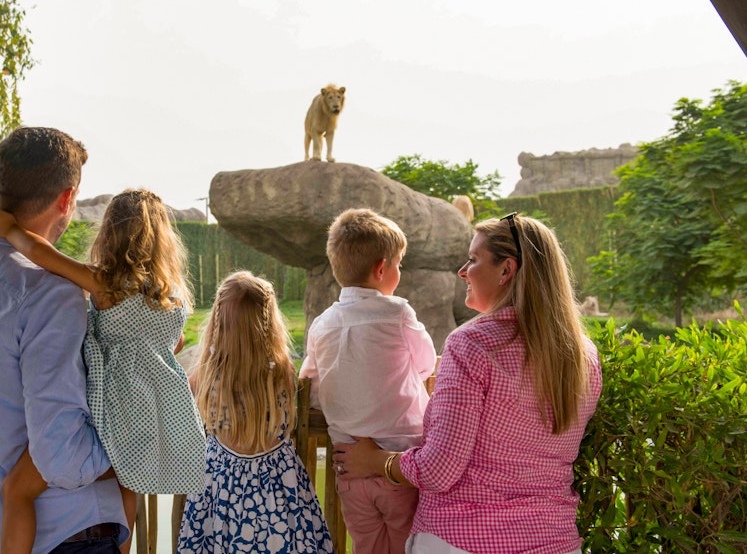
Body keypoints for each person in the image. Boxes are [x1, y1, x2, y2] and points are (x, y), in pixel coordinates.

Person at [333, 213, 603, 554]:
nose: (463, 271)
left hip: (463, 539)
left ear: (506, 270)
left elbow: (438, 470)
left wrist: (376, 461)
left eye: (474, 260)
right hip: (555, 541)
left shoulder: (472, 344)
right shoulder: (584, 356)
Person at [0, 126, 127, 554]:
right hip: (68, 536)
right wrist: (141, 445)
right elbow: (64, 456)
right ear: (67, 199)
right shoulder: (49, 292)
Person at [0, 189, 206, 554]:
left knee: (17, 490)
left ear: (110, 234)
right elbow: (176, 343)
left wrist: (11, 231)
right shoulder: (174, 297)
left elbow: (44, 256)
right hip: (148, 420)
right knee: (127, 488)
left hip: (109, 416)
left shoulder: (109, 287)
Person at [299, 208, 436, 554]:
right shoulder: (398, 313)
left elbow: (310, 383)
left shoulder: (322, 324)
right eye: (399, 264)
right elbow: (424, 364)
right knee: (407, 546)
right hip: (399, 463)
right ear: (381, 269)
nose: (400, 272)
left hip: (349, 469)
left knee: (366, 546)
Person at [177, 271, 335, 554]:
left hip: (222, 488)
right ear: (268, 322)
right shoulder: (282, 373)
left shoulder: (205, 377)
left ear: (218, 320)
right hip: (279, 488)